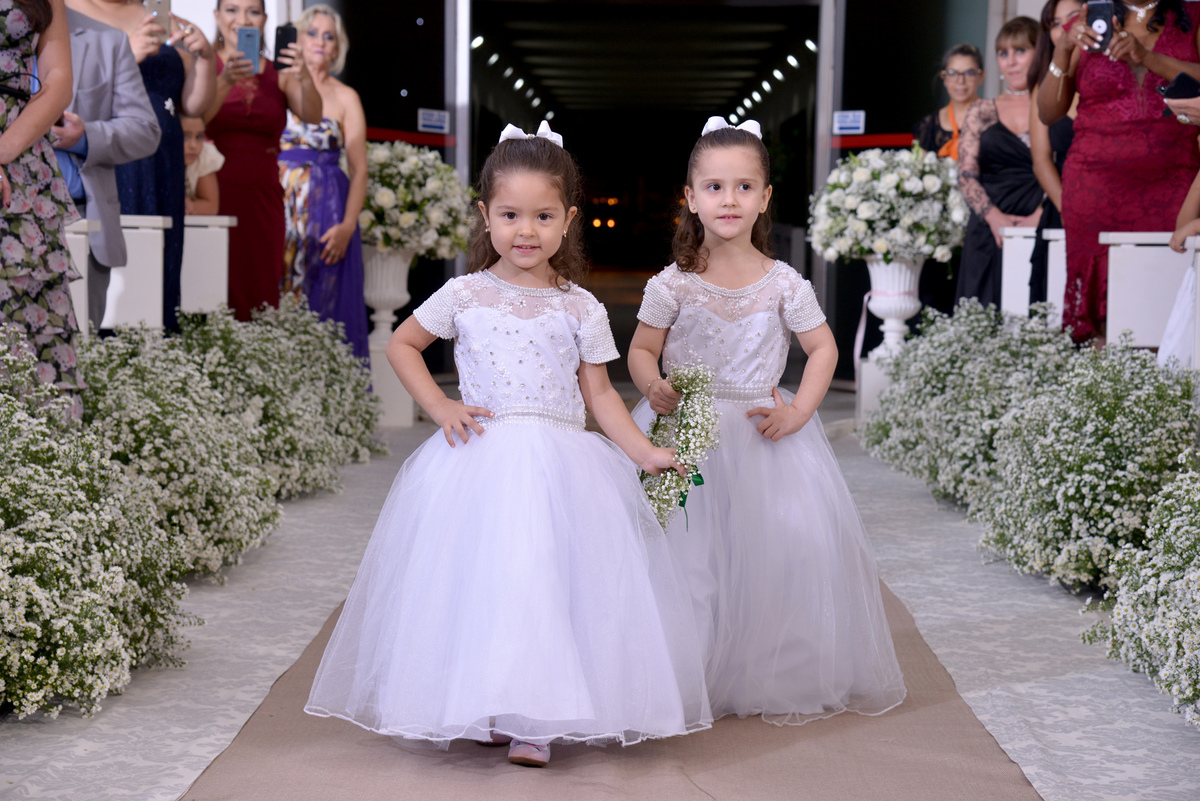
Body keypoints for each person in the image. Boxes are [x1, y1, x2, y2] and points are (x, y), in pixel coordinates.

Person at [304, 122, 712, 768]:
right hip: (479, 461)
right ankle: (487, 702)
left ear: (569, 219)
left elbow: (601, 395)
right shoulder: (465, 294)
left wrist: (643, 451)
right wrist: (438, 405)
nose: (527, 230)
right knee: (481, 584)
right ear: (484, 215)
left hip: (559, 465)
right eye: (511, 214)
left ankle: (533, 717)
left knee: (541, 582)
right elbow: (402, 344)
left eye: (544, 215)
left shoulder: (579, 307)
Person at [627, 117, 906, 727]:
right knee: (689, 555)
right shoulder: (672, 283)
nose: (730, 200)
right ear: (691, 197)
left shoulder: (784, 283)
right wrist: (652, 383)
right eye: (716, 187)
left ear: (766, 198)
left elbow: (824, 349)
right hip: (689, 431)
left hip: (763, 433)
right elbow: (643, 348)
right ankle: (685, 670)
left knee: (776, 551)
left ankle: (764, 669)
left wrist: (801, 409)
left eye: (744, 187)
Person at [1039, 0, 1200, 344]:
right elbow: (1048, 112)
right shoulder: (1086, 20)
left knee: (1171, 297)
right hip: (1096, 185)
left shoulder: (1194, 15)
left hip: (1173, 181)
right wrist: (1063, 49)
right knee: (1100, 314)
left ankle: (1168, 394)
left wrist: (1147, 57)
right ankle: (1104, 393)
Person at [67, 0, 217, 333]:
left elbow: (193, 105)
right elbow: (65, 94)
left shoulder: (161, 15)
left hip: (163, 161)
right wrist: (125, 55)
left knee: (162, 263)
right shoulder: (69, 10)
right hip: (110, 159)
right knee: (113, 263)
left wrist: (205, 59)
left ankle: (155, 355)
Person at [207, 0, 322, 322]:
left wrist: (304, 76)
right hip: (212, 192)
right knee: (212, 281)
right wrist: (225, 80)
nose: (242, 19)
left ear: (264, 20)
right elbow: (196, 119)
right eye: (231, 10)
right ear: (217, 17)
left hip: (263, 198)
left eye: (252, 11)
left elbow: (312, 115)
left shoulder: (278, 72)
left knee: (259, 286)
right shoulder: (205, 65)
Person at [0, 0, 84, 419]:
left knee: (31, 307)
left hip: (23, 156)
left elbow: (59, 79)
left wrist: (3, 151)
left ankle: (42, 464)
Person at [52, 7, 161, 330]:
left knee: (81, 358)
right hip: (10, 211)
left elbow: (145, 129)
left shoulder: (107, 40)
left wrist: (84, 137)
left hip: (83, 216)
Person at [278, 4, 367, 365]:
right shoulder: (278, 83)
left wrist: (347, 225)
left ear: (337, 48)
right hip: (279, 206)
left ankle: (328, 388)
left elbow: (359, 169)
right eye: (312, 32)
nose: (319, 41)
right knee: (279, 292)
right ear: (297, 39)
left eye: (328, 36)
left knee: (325, 298)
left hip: (329, 209)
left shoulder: (347, 97)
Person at [956, 16, 1044, 308]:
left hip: (1043, 222)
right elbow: (966, 174)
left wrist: (1042, 216)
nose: (1011, 62)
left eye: (1020, 51)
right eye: (1003, 53)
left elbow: (1069, 167)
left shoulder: (1056, 104)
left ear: (1039, 51)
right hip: (987, 227)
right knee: (980, 321)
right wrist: (994, 218)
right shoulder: (981, 110)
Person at [1027, 0, 1083, 305]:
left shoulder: (1110, 74)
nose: (1064, 27)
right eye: (1054, 22)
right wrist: (1069, 210)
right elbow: (1041, 160)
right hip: (1062, 206)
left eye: (1072, 17)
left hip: (1112, 201)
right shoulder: (1044, 87)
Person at [913, 43, 985, 159]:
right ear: (944, 77)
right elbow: (920, 171)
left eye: (969, 73)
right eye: (952, 73)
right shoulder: (929, 126)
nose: (960, 81)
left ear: (981, 77)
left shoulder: (993, 119)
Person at [182, 114, 222, 215]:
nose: (193, 145)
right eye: (185, 136)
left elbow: (211, 207)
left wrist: (189, 206)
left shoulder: (204, 155)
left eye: (199, 137)